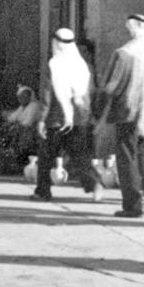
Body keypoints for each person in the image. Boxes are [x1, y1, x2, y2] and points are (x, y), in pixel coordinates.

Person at [94, 13, 144, 218]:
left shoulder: (124, 53)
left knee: (126, 157)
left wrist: (98, 112)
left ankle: (133, 206)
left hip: (127, 113)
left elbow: (111, 88)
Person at [31, 28, 104, 203]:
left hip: (55, 119)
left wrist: (41, 119)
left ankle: (43, 191)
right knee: (80, 156)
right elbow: (90, 92)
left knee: (46, 157)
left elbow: (47, 95)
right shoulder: (82, 66)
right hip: (79, 118)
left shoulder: (53, 65)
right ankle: (95, 185)